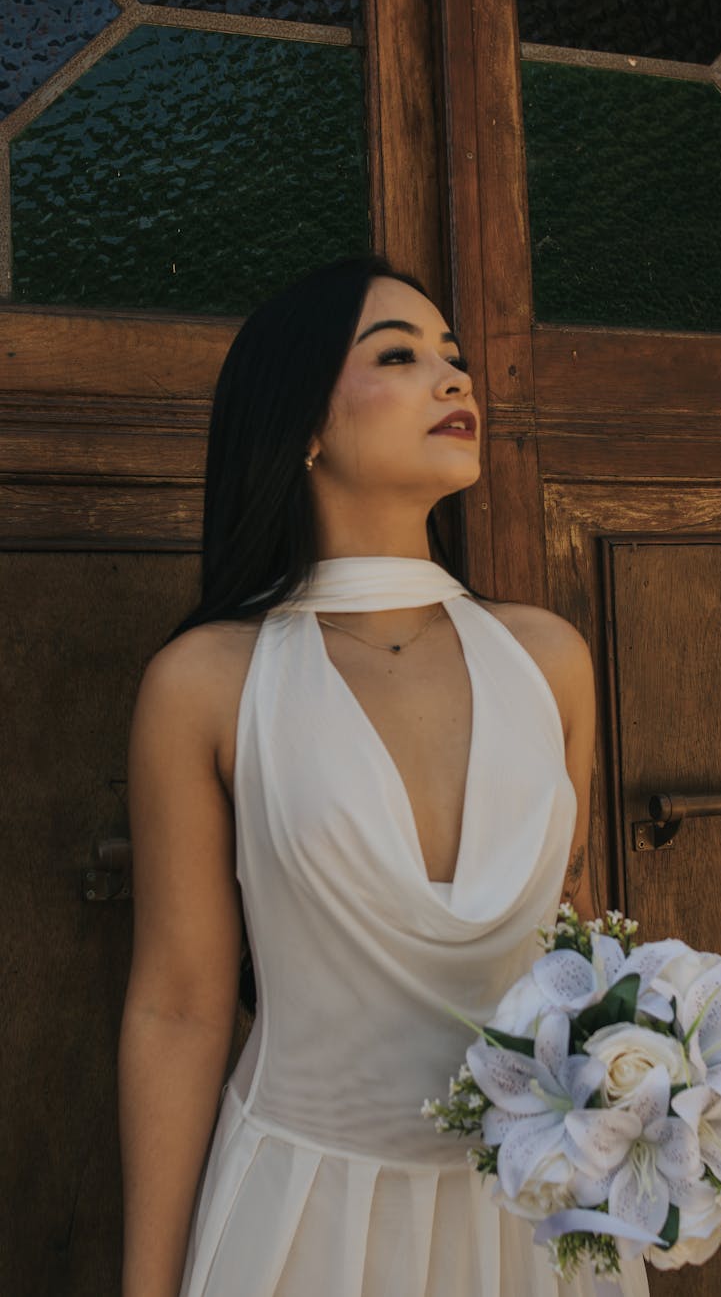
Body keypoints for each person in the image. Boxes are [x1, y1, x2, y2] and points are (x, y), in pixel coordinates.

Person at [117, 256, 649, 1297]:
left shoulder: (550, 659)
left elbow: (576, 946)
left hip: (533, 1220)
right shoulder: (205, 684)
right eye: (400, 356)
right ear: (302, 425)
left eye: (454, 358)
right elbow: (180, 1004)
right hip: (302, 1215)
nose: (456, 380)